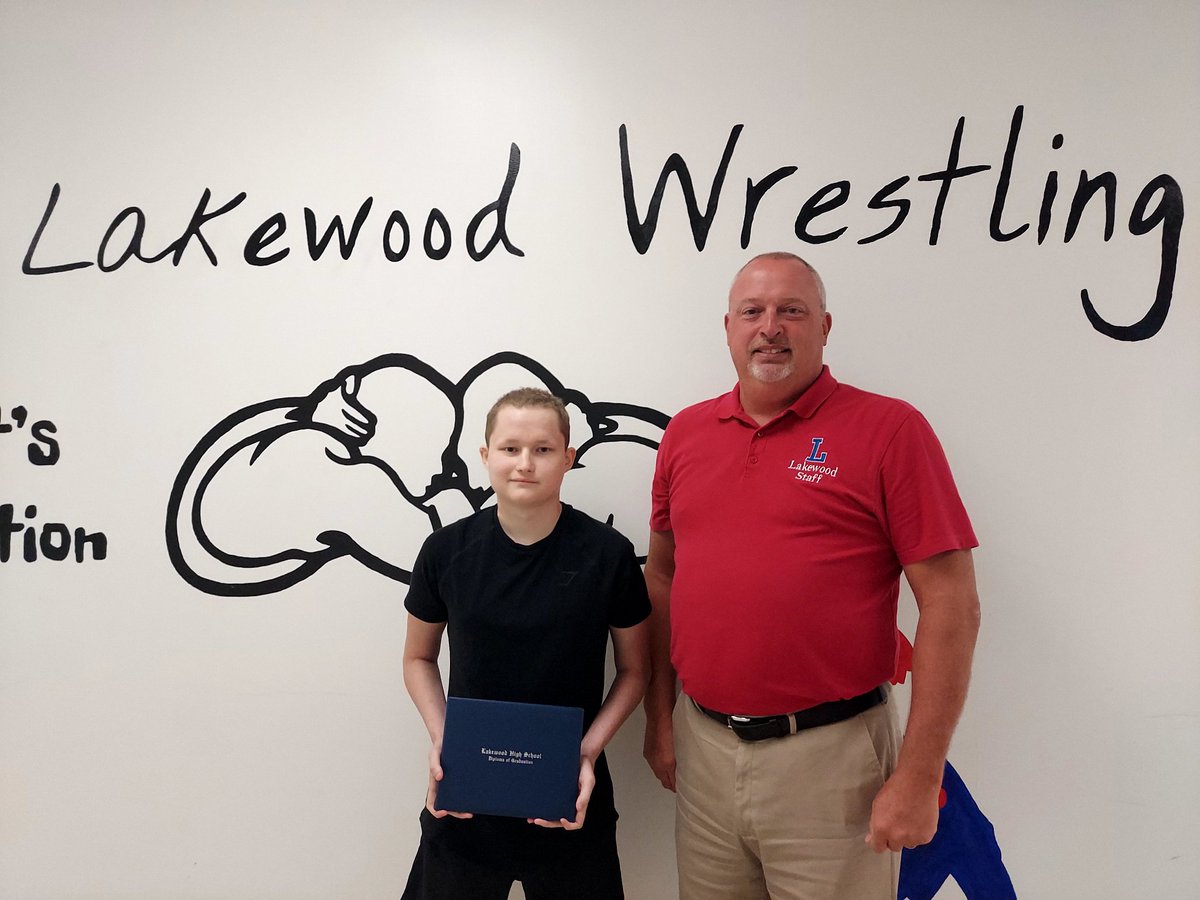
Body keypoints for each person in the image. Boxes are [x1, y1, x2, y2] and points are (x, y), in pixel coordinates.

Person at [642, 252, 981, 900]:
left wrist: (917, 775)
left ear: (824, 327)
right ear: (728, 327)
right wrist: (661, 717)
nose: (770, 327)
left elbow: (951, 603)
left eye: (791, 311)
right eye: (753, 312)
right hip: (704, 750)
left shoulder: (890, 431)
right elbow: (662, 578)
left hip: (832, 763)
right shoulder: (685, 435)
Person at [402, 387, 651, 899]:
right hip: (466, 791)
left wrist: (585, 752)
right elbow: (417, 657)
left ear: (568, 458)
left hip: (570, 790)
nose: (525, 463)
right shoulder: (445, 551)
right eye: (511, 448)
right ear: (485, 455)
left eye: (542, 449)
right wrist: (443, 738)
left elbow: (635, 672)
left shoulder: (609, 555)